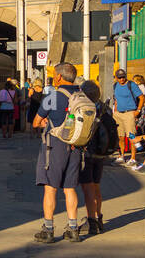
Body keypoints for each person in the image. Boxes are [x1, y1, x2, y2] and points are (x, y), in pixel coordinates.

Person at [32, 63, 85, 243]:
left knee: (50, 188)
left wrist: (46, 122)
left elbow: (36, 121)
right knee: (70, 188)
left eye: (55, 75)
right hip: (76, 146)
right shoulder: (82, 95)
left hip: (55, 146)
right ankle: (73, 228)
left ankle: (48, 229)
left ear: (59, 77)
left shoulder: (52, 96)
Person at [78, 79, 115, 235]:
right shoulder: (106, 109)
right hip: (101, 152)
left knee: (88, 187)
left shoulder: (86, 109)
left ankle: (91, 220)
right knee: (96, 186)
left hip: (87, 152)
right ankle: (98, 216)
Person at [110, 69, 145, 166]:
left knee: (131, 136)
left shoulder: (131, 84)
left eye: (123, 77)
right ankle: (122, 156)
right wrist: (115, 111)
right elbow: (116, 99)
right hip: (118, 114)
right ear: (116, 78)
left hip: (130, 112)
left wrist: (138, 111)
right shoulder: (115, 85)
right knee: (120, 136)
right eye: (119, 77)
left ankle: (133, 158)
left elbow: (142, 97)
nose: (122, 79)